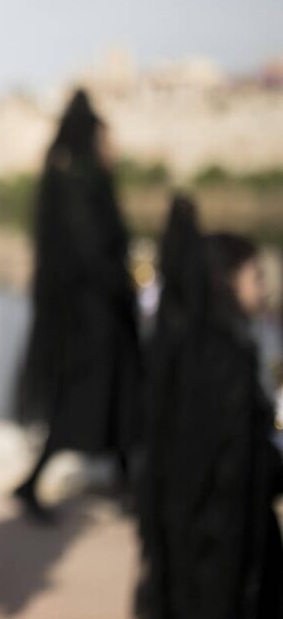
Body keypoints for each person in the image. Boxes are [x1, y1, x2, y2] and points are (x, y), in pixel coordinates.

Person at [136, 197, 283, 619]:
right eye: (256, 276)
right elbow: (242, 470)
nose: (265, 287)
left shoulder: (188, 353)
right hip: (229, 553)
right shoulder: (227, 361)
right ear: (226, 282)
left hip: (187, 547)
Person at [13, 88, 142, 520]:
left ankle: (127, 483)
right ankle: (36, 485)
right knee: (93, 399)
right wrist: (124, 284)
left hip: (89, 313)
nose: (115, 147)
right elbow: (91, 251)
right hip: (93, 316)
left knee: (112, 397)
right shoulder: (80, 178)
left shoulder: (66, 173)